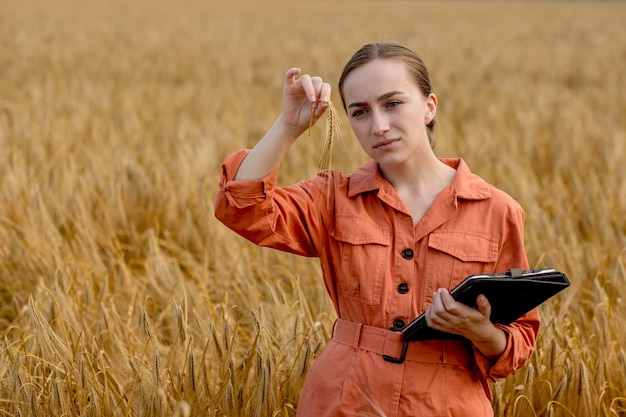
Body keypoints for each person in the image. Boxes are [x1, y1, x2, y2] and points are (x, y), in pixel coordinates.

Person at [214, 41, 539, 417]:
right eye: (360, 112)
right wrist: (288, 126)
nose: (379, 125)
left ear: (429, 106)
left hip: (447, 403)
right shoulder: (332, 197)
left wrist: (478, 331)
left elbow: (520, 339)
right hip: (342, 399)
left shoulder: (496, 210)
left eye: (393, 104)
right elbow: (241, 207)